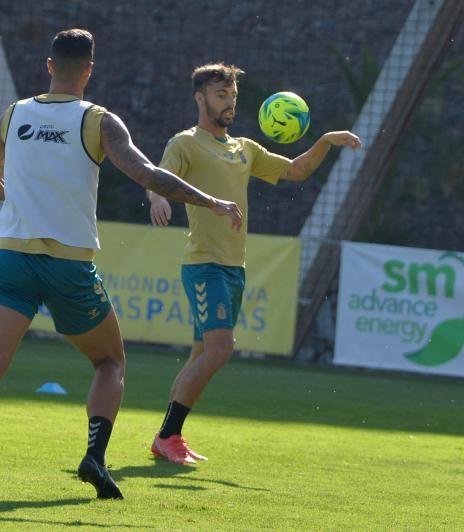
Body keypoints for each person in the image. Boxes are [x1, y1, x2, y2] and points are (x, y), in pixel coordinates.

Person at [0, 29, 242, 499]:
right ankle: (94, 457)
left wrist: (18, 197)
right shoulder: (99, 121)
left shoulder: (14, 114)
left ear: (50, 66)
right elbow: (148, 174)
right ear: (90, 70)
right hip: (68, 265)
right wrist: (211, 201)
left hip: (11, 257)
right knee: (109, 360)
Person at [147, 63, 362, 464]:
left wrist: (325, 142)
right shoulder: (186, 142)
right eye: (220, 95)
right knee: (220, 348)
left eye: (232, 96)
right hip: (204, 263)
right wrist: (157, 198)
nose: (229, 103)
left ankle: (167, 437)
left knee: (202, 353)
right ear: (200, 98)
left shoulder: (244, 148)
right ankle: (168, 434)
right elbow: (156, 176)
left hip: (234, 267)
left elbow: (296, 171)